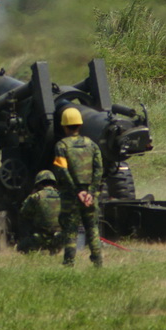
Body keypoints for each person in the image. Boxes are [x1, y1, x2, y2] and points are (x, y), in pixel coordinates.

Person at [52, 107, 103, 268]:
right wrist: (91, 192)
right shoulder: (92, 145)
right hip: (90, 195)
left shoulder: (62, 145)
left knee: (70, 230)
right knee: (92, 228)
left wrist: (77, 191)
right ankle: (98, 261)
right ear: (80, 125)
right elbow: (99, 170)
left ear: (64, 126)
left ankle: (69, 263)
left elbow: (62, 170)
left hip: (71, 195)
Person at [17, 170, 64, 254]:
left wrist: (30, 196)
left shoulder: (36, 196)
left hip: (40, 239)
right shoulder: (62, 196)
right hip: (59, 238)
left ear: (39, 184)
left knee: (20, 247)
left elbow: (24, 212)